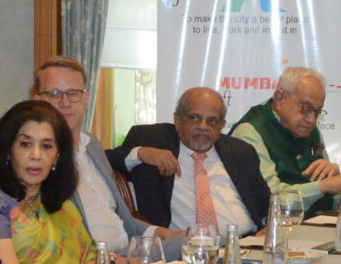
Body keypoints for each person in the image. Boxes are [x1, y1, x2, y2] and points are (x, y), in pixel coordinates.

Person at [0, 98, 98, 264]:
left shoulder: (58, 199)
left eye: (47, 146)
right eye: (25, 144)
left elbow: (90, 254)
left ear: (57, 156)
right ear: (8, 149)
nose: (36, 155)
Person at [31, 55, 156, 251]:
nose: (65, 102)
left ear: (86, 99)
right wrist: (114, 262)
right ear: (37, 101)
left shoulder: (92, 146)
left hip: (129, 251)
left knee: (197, 244)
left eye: (73, 93)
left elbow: (119, 217)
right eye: (54, 93)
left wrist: (160, 233)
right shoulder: (36, 161)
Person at [114, 86, 268, 235]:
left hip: (244, 245)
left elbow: (265, 203)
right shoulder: (151, 139)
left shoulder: (240, 151)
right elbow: (104, 160)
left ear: (221, 125)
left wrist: (269, 226)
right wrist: (141, 153)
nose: (203, 126)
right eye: (195, 118)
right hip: (182, 251)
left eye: (212, 121)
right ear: (177, 120)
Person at [231, 65, 341, 212]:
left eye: (317, 111)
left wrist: (334, 177)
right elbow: (271, 198)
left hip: (319, 223)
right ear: (280, 98)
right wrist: (324, 186)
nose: (312, 120)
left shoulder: (310, 130)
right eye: (305, 109)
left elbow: (332, 191)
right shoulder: (250, 132)